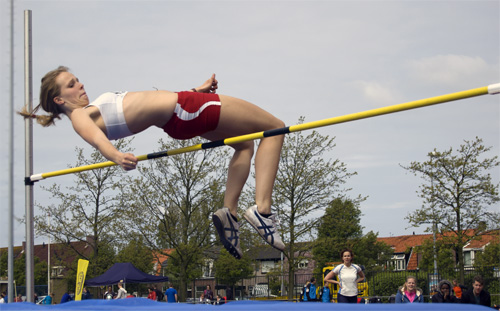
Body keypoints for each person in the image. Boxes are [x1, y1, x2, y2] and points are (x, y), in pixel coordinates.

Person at [23, 67, 286, 260]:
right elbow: (92, 136)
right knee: (274, 128)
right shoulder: (80, 114)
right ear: (60, 100)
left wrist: (195, 90)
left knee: (244, 144)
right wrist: (114, 155)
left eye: (77, 79)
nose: (79, 84)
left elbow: (148, 104)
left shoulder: (90, 109)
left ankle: (230, 212)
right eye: (71, 85)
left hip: (181, 113)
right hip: (186, 109)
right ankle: (262, 211)